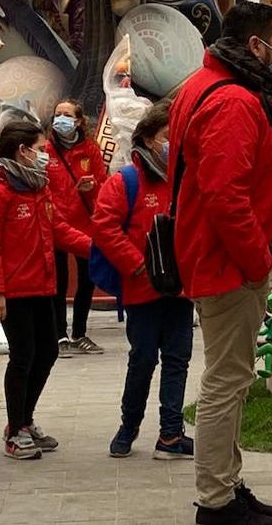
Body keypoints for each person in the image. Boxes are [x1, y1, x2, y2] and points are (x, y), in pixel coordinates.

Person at [170, 0, 272, 525]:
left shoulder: (207, 85)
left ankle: (226, 486)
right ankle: (216, 501)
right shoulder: (232, 100)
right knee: (226, 383)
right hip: (228, 262)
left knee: (227, 380)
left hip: (218, 256)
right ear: (256, 45)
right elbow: (225, 194)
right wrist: (256, 261)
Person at [0, 120, 92, 460]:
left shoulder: (38, 187)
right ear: (22, 151)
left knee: (48, 352)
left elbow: (59, 230)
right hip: (13, 291)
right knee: (23, 355)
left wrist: (97, 248)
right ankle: (15, 430)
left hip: (43, 286)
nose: (45, 156)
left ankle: (24, 420)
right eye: (40, 150)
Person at [90, 101, 195, 461]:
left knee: (178, 360)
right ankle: (129, 426)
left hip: (181, 290)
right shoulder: (126, 181)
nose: (174, 143)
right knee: (143, 360)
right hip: (142, 291)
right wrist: (137, 266)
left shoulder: (185, 179)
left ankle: (170, 434)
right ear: (149, 139)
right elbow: (104, 226)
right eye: (168, 136)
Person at [45, 99, 108, 356]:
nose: (61, 119)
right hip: (55, 224)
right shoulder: (46, 150)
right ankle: (59, 334)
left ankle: (80, 333)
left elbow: (103, 186)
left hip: (85, 224)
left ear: (79, 121)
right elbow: (43, 188)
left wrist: (91, 188)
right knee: (58, 281)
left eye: (67, 115)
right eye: (58, 114)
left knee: (87, 280)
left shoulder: (90, 150)